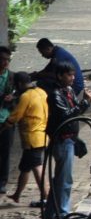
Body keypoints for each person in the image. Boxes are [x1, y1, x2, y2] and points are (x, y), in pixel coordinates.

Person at [45, 61, 91, 219]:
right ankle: (63, 213)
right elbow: (67, 116)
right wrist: (85, 102)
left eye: (73, 75)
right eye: (69, 75)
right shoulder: (55, 95)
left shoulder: (68, 90)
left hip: (70, 139)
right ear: (60, 76)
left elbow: (76, 113)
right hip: (62, 140)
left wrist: (87, 101)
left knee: (59, 177)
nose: (73, 78)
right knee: (65, 179)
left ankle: (51, 212)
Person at [3, 72, 49, 207]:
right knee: (25, 167)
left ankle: (46, 197)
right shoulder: (41, 92)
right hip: (43, 134)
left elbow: (16, 116)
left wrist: (5, 125)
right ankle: (17, 194)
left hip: (32, 138)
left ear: (19, 84)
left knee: (36, 167)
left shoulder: (25, 96)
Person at [0, 47, 14, 194]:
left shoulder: (12, 77)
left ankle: (2, 181)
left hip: (7, 119)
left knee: (5, 151)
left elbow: (21, 95)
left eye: (7, 60)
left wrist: (13, 99)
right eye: (2, 59)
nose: (5, 63)